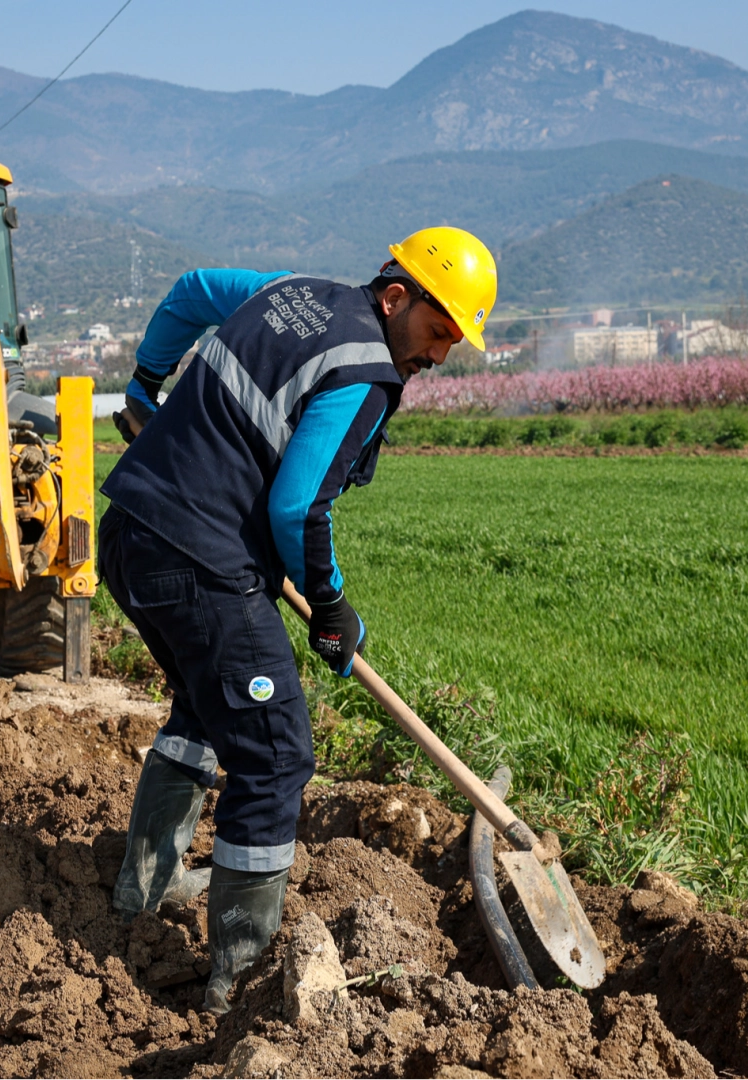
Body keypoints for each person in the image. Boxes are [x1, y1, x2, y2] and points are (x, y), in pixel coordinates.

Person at [99, 227, 497, 1013]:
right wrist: (332, 605)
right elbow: (298, 505)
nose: (442, 353)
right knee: (278, 752)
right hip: (198, 558)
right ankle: (240, 980)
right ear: (396, 296)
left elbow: (188, 289)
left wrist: (146, 383)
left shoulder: (287, 291)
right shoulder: (366, 373)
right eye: (440, 327)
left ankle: (142, 892)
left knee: (207, 709)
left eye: (456, 337)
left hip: (131, 535)